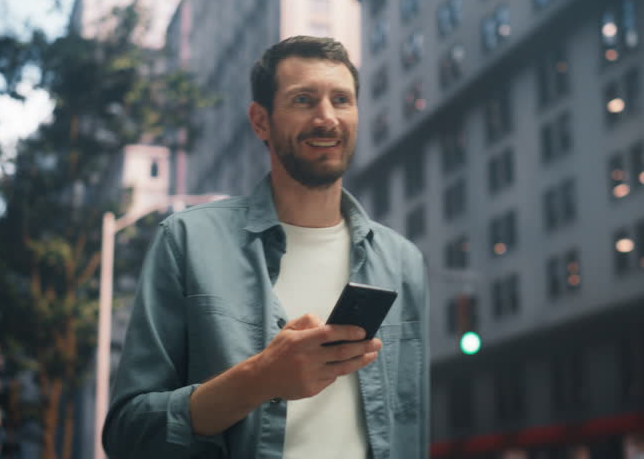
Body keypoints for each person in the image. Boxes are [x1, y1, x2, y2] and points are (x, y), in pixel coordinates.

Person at [102, 36, 430, 459]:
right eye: (303, 100)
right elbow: (128, 435)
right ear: (260, 121)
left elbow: (413, 433)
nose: (327, 118)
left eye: (342, 100)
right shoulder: (187, 241)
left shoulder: (403, 262)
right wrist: (260, 378)